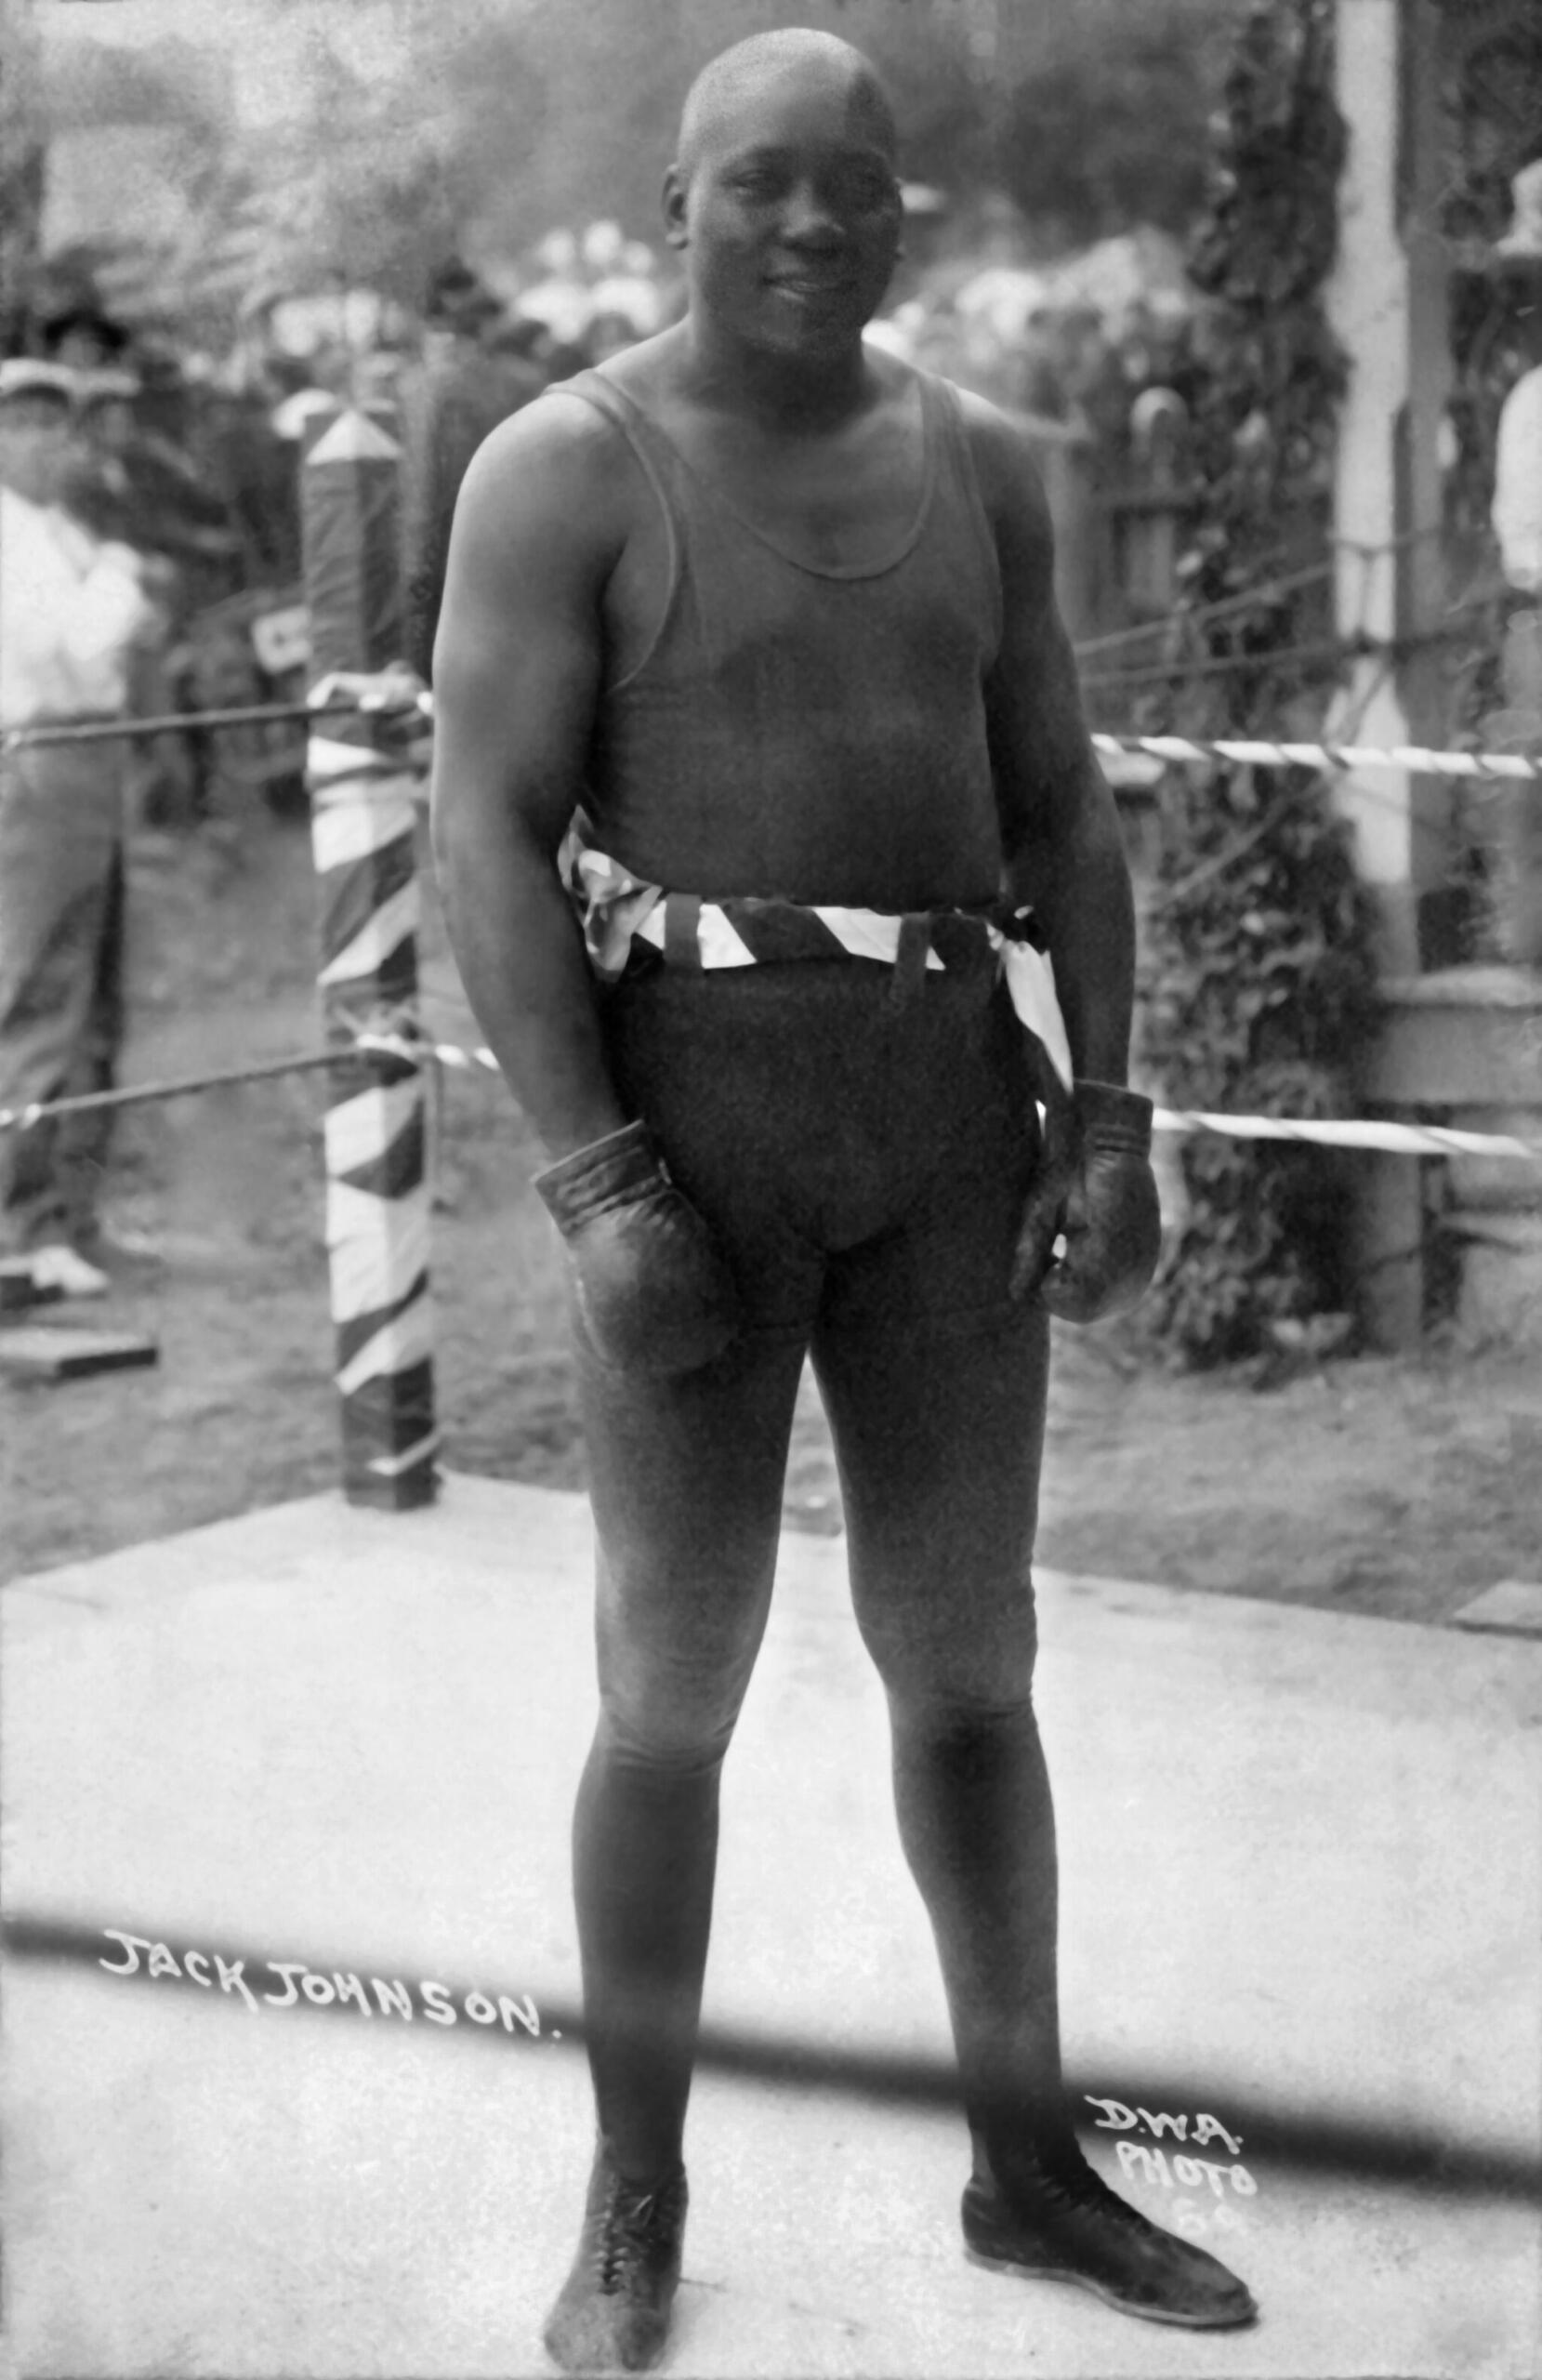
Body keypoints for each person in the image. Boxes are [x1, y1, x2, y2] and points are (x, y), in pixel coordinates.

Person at [430, 30, 1257, 2373]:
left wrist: (1110, 1116)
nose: (813, 226)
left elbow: (1066, 809)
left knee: (970, 1663)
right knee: (665, 1680)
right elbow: (478, 829)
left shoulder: (989, 462)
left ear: (907, 219)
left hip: (937, 1149)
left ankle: (1025, 2155)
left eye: (857, 190)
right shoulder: (560, 469)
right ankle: (635, 2189)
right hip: (686, 1149)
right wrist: (595, 1177)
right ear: (678, 205)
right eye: (763, 184)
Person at [0, 358, 162, 1293]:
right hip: (39, 760)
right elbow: (84, 640)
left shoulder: (62, 529)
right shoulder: (14, 539)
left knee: (99, 1000)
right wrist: (124, 578)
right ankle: (22, 1228)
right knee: (41, 990)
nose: (45, 441)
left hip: (94, 753)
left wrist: (117, 575)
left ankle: (75, 1212)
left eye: (55, 423)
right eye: (22, 422)